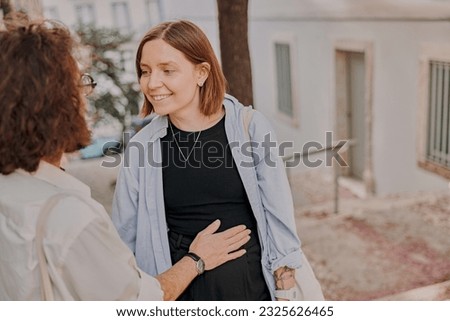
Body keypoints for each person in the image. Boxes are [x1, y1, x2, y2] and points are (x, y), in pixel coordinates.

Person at [0, 15, 251, 301]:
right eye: (80, 86)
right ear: (55, 106)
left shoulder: (10, 193)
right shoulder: (70, 217)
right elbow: (136, 302)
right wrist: (197, 259)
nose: (87, 97)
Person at [112, 19, 306, 301]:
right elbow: (123, 239)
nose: (152, 83)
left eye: (167, 70)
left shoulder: (250, 128)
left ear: (201, 72)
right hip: (179, 295)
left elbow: (280, 218)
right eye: (145, 71)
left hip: (252, 291)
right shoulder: (142, 148)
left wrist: (286, 293)